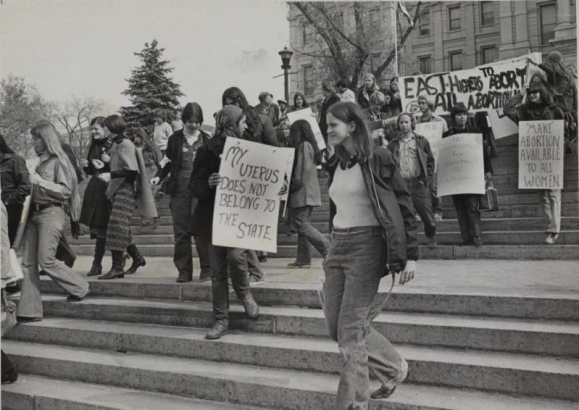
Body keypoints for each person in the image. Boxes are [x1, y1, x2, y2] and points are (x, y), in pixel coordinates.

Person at [323, 102, 418, 409]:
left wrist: (410, 255)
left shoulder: (380, 158)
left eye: (333, 124)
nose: (328, 130)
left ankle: (354, 405)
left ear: (351, 126)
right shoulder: (335, 163)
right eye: (327, 125)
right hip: (338, 245)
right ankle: (392, 367)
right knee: (335, 326)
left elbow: (404, 206)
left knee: (349, 333)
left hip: (367, 246)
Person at [188, 105, 260, 340]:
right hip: (214, 219)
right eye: (242, 122)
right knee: (218, 272)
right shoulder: (208, 150)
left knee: (237, 256)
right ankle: (221, 320)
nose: (246, 126)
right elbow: (194, 185)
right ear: (231, 124)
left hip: (240, 217)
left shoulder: (251, 148)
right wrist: (208, 184)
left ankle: (245, 294)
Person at [17, 122, 90, 323]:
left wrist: (40, 182)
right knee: (28, 263)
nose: (33, 142)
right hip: (32, 214)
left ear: (45, 139)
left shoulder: (59, 161)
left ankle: (80, 286)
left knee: (46, 260)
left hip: (51, 212)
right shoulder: (38, 162)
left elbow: (66, 191)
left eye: (36, 138)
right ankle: (29, 310)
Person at [151, 103, 212, 283]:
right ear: (184, 121)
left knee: (201, 231)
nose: (194, 125)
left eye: (197, 122)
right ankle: (184, 270)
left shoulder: (207, 140)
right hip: (179, 190)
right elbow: (167, 161)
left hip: (200, 192)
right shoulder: (175, 139)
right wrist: (158, 177)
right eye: (190, 121)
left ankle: (207, 269)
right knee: (181, 231)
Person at [504, 74, 565, 244]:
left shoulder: (554, 109)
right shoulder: (523, 110)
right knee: (542, 197)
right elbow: (507, 110)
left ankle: (554, 229)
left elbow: (563, 128)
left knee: (553, 194)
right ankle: (552, 222)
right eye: (530, 92)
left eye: (535, 92)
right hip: (533, 159)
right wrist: (520, 93)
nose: (532, 95)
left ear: (542, 92)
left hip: (552, 157)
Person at [99, 115, 156, 280]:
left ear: (111, 128)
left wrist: (111, 175)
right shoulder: (117, 144)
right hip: (118, 189)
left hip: (126, 189)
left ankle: (117, 267)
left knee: (117, 225)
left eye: (104, 127)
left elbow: (131, 172)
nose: (103, 130)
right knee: (121, 226)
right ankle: (137, 258)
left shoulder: (125, 144)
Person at [443, 103, 493, 246]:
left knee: (472, 207)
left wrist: (488, 170)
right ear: (453, 118)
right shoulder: (447, 135)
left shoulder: (475, 131)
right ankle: (466, 238)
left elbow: (484, 153)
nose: (462, 117)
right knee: (460, 209)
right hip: (455, 178)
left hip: (472, 176)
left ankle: (477, 237)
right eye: (459, 114)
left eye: (464, 114)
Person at [388, 113, 437, 248]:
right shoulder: (393, 144)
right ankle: (408, 244)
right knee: (405, 217)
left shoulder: (421, 141)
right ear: (398, 124)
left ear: (411, 123)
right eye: (401, 122)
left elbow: (430, 162)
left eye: (406, 122)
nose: (404, 125)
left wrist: (426, 179)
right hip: (401, 184)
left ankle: (431, 235)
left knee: (428, 216)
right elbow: (388, 165)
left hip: (418, 183)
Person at [287, 120, 330, 268]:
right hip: (309, 191)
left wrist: (293, 185)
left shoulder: (303, 146)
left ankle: (329, 250)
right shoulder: (310, 146)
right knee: (302, 226)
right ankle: (303, 259)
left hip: (303, 192)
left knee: (301, 224)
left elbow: (302, 171)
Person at [79, 117, 113, 276]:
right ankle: (136, 255)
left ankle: (96, 263)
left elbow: (119, 166)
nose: (93, 132)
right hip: (95, 186)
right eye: (91, 129)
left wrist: (109, 162)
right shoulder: (93, 145)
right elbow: (93, 170)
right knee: (100, 226)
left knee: (102, 226)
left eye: (96, 129)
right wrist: (86, 167)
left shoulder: (111, 143)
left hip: (108, 186)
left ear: (105, 129)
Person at [416, 95, 448, 221]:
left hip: (435, 156)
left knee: (433, 186)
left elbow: (446, 137)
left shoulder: (440, 120)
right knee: (420, 186)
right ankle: (422, 211)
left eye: (423, 102)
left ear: (429, 104)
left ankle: (438, 211)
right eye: (419, 103)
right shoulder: (417, 122)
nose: (420, 105)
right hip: (421, 157)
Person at [0, 133, 31, 245]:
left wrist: (6, 202)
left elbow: (26, 187)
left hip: (10, 209)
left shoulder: (15, 160)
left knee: (6, 246)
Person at [133, 128, 162, 229]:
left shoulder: (152, 147)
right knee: (141, 195)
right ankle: (145, 219)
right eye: (134, 137)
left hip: (152, 171)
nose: (135, 139)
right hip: (141, 172)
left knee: (150, 194)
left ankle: (156, 217)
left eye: (137, 137)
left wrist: (161, 175)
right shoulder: (135, 148)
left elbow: (160, 161)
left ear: (142, 136)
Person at [318, 81, 341, 149]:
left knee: (330, 148)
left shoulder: (335, 99)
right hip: (323, 127)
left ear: (326, 89)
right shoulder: (326, 99)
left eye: (322, 89)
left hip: (330, 127)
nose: (322, 92)